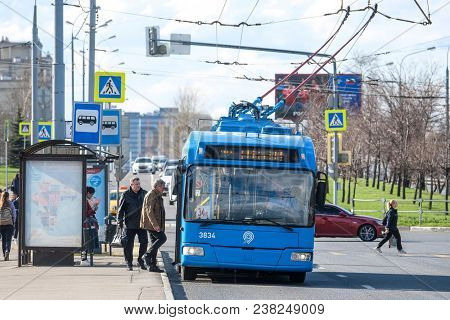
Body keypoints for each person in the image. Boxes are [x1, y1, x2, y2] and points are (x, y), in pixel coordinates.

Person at [118, 177, 148, 271]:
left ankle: (140, 260)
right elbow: (120, 210)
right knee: (128, 245)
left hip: (142, 224)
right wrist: (120, 222)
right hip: (129, 224)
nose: (138, 186)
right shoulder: (126, 194)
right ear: (131, 185)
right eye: (136, 184)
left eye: (139, 184)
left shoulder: (144, 193)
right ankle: (129, 263)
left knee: (144, 242)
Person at [141, 179, 167, 273]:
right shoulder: (151, 195)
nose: (163, 189)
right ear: (157, 186)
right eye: (162, 187)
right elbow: (149, 211)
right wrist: (155, 225)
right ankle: (147, 256)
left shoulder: (157, 195)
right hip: (151, 224)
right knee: (162, 238)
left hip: (156, 223)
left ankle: (152, 265)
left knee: (154, 244)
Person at [81, 187, 99, 266]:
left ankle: (85, 258)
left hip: (87, 223)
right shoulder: (84, 201)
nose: (92, 196)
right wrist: (94, 208)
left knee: (86, 241)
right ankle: (83, 259)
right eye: (91, 194)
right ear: (88, 193)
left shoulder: (85, 200)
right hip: (86, 224)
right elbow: (86, 213)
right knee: (86, 241)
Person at [0, 191, 14, 261]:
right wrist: (13, 221)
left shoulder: (0, 203)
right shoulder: (10, 203)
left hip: (1, 224)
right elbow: (14, 214)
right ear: (8, 196)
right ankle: (7, 251)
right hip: (9, 224)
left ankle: (4, 254)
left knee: (3, 239)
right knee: (8, 240)